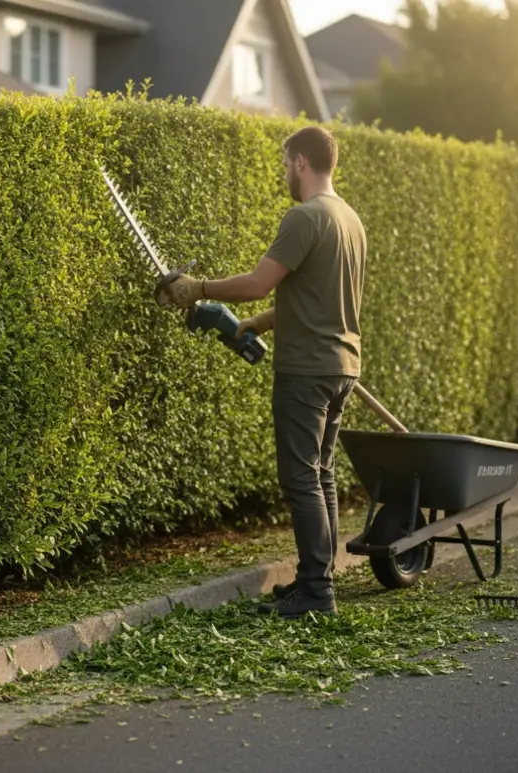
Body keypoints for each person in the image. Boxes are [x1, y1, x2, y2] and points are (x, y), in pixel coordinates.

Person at [154, 125, 367, 619]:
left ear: (299, 162)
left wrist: (197, 287)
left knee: (301, 480)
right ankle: (318, 582)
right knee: (322, 475)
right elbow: (320, 297)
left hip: (307, 370)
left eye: (284, 163)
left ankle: (316, 593)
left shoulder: (305, 216)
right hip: (342, 367)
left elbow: (257, 282)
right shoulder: (350, 219)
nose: (283, 174)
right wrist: (260, 323)